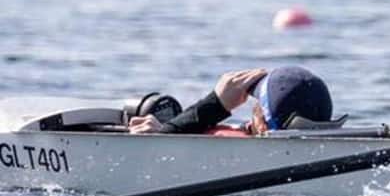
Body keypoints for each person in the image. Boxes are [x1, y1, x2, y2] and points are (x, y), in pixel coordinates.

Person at [127, 66, 342, 136]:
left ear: (265, 123)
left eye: (256, 102)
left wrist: (215, 104)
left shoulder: (234, 146)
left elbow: (164, 154)